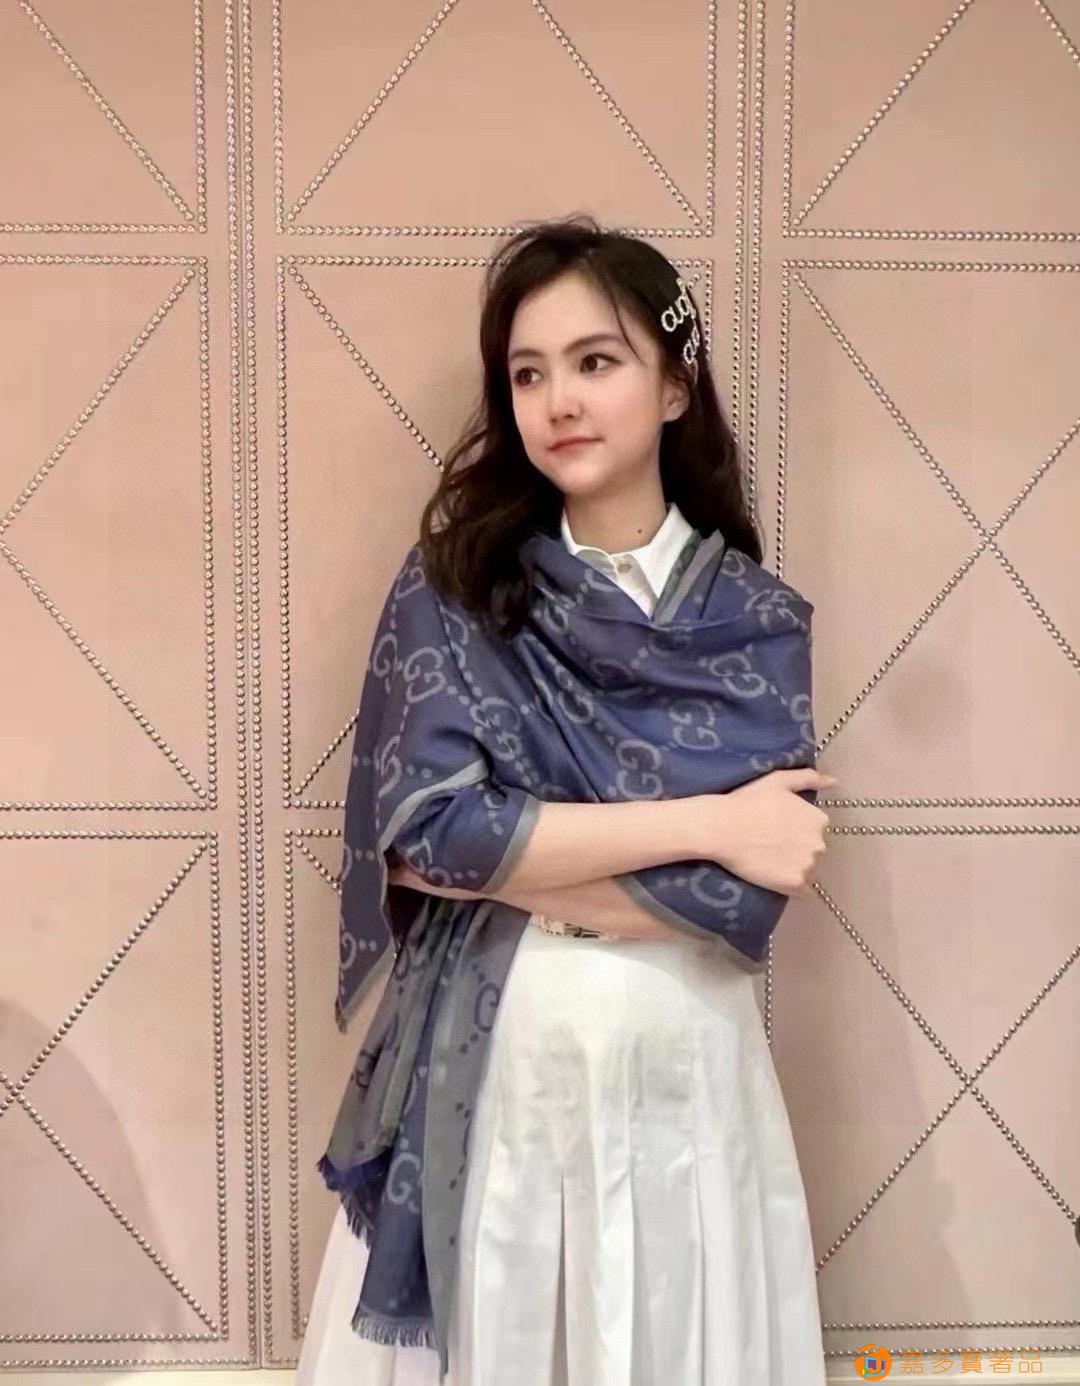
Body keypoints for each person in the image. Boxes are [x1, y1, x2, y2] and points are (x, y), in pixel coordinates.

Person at [296, 214, 835, 1385]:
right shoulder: (456, 590)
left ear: (675, 385)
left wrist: (521, 865)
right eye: (529, 374)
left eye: (595, 362)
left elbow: (744, 901)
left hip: (689, 1078)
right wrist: (714, 823)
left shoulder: (753, 621)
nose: (558, 402)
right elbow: (430, 836)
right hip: (499, 1081)